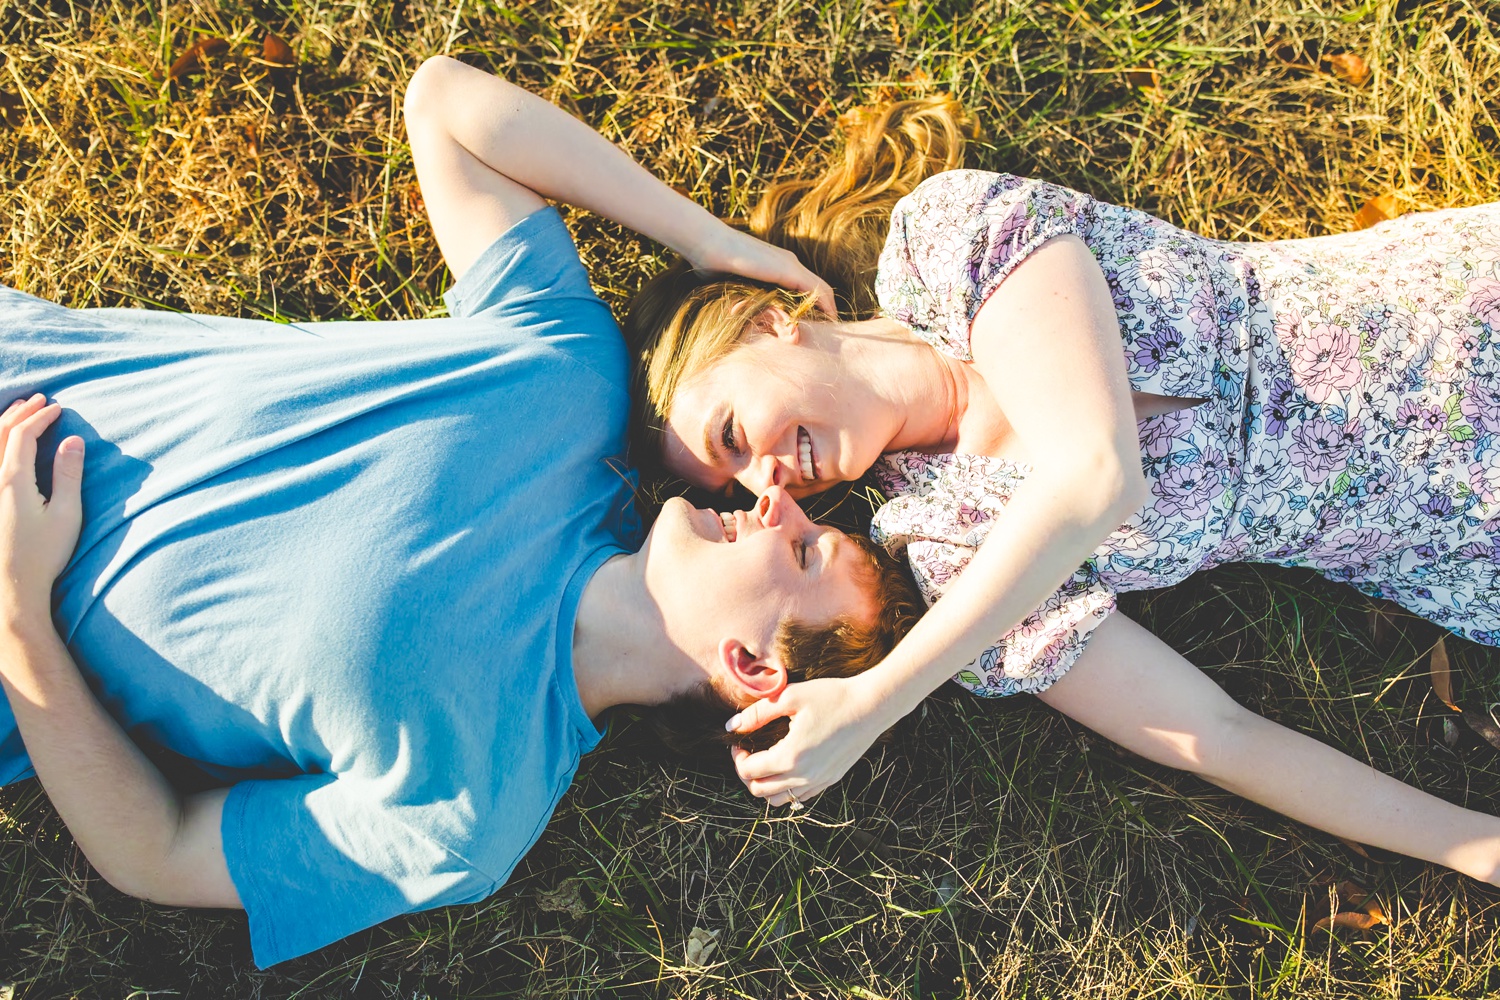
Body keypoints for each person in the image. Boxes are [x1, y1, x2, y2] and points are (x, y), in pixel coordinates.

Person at [0, 56, 924, 969]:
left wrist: (21, 615)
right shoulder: (570, 381)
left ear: (756, 671)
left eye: (803, 552)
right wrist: (709, 243)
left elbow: (153, 853)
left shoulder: (469, 811)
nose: (774, 501)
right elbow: (443, 102)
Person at [625, 98, 1500, 885]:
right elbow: (1222, 737)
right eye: (735, 484)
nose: (765, 479)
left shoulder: (946, 244)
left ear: (766, 323)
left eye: (733, 436)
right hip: (1473, 528)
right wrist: (1473, 847)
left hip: (1461, 310)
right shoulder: (948, 544)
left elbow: (1099, 475)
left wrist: (878, 698)